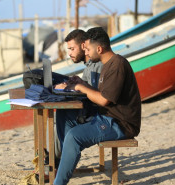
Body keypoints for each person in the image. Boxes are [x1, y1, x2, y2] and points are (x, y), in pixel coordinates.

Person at [54, 27, 141, 185]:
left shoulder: (117, 65)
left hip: (121, 123)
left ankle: (59, 181)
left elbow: (104, 100)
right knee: (64, 115)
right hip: (106, 116)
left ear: (99, 49)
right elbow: (102, 93)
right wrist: (82, 83)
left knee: (74, 136)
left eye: (87, 49)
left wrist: (80, 88)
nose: (86, 52)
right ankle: (65, 162)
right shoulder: (107, 64)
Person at [51, 29, 103, 165]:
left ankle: (57, 161)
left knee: (61, 117)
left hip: (97, 115)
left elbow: (97, 95)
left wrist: (74, 88)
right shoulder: (89, 66)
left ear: (83, 46)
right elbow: (88, 88)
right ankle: (54, 160)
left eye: (72, 49)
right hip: (90, 111)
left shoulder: (97, 65)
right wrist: (74, 84)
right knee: (58, 118)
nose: (69, 53)